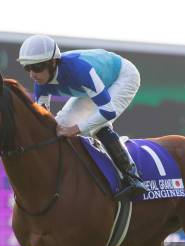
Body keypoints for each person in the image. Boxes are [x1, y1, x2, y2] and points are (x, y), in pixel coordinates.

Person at [17, 34, 147, 200]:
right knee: (60, 125)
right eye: (27, 68)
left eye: (37, 67)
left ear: (53, 62)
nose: (32, 75)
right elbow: (45, 124)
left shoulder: (79, 71)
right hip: (94, 84)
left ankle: (133, 178)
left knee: (97, 125)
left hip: (122, 76)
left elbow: (108, 111)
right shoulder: (40, 84)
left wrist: (75, 129)